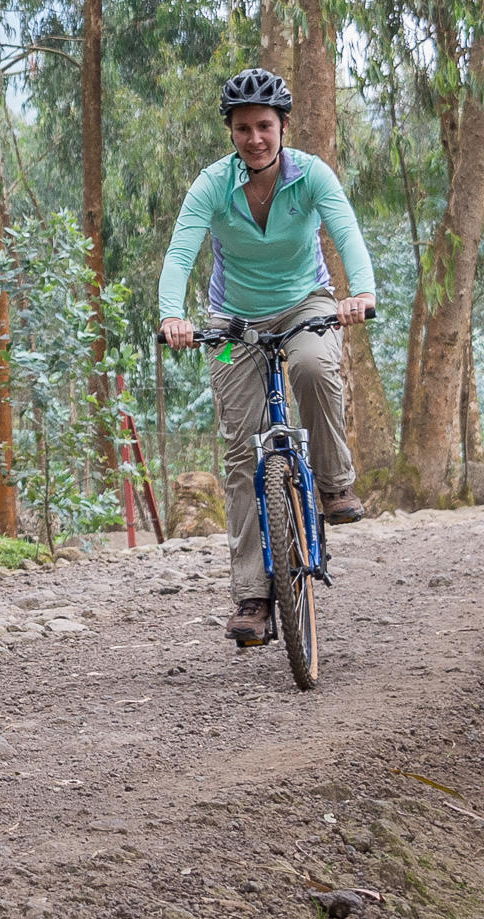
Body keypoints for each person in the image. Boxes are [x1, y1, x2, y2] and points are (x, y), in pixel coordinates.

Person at [157, 67, 377, 645]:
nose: (254, 138)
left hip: (306, 303)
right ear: (230, 132)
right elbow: (182, 251)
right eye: (242, 128)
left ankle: (333, 483)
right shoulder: (212, 184)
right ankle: (254, 596)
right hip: (231, 321)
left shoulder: (310, 175)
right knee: (240, 451)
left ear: (281, 126)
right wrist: (171, 315)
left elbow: (346, 230)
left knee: (312, 365)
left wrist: (361, 293)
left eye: (264, 125)